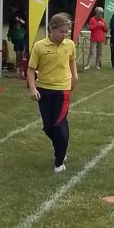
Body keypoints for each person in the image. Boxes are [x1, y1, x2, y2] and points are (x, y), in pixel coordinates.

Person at [27, 12, 77, 173]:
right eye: (61, 32)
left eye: (66, 32)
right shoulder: (39, 46)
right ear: (51, 29)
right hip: (44, 90)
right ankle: (61, 148)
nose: (64, 35)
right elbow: (30, 69)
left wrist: (74, 77)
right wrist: (33, 88)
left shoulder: (70, 45)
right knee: (48, 127)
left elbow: (71, 63)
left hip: (63, 90)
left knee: (59, 125)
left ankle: (59, 162)